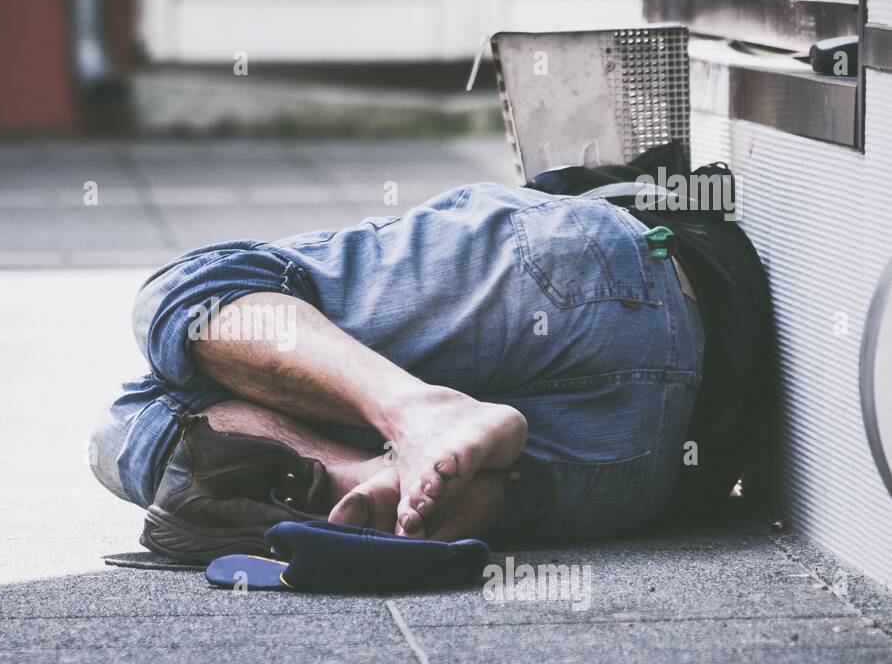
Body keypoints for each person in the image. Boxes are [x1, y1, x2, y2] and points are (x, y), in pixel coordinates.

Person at [88, 145, 767, 564]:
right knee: (154, 371)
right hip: (674, 404)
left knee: (157, 370)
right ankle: (395, 460)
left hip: (639, 466)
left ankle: (387, 440)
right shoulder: (635, 203)